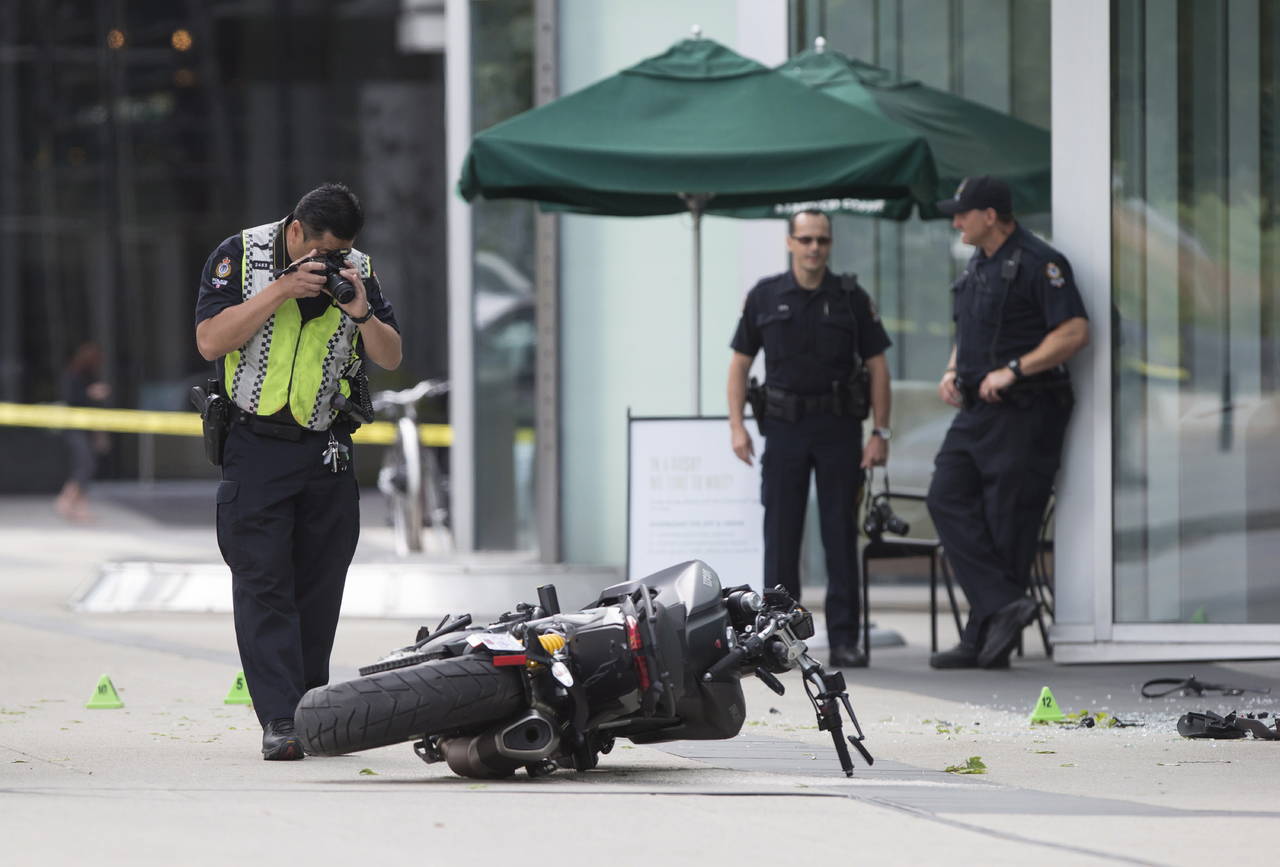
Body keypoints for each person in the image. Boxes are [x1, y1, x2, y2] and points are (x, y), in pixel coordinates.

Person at [194, 183, 402, 759]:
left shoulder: (358, 272)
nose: (329, 264)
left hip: (325, 446)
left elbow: (389, 355)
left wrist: (360, 311)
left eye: (339, 253)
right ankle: (281, 720)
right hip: (254, 443)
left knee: (321, 581)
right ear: (294, 233)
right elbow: (210, 340)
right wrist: (283, 289)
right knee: (263, 582)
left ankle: (311, 708)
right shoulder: (240, 256)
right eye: (319, 254)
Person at [926, 176, 1089, 670]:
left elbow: (1075, 331)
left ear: (990, 215)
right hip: (977, 409)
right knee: (945, 495)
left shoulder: (1041, 263)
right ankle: (1004, 604)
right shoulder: (978, 263)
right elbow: (969, 330)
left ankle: (984, 640)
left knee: (1006, 524)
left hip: (1026, 410)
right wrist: (954, 368)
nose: (956, 221)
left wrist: (1014, 370)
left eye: (962, 212)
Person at [727, 209, 892, 669]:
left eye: (821, 239)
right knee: (781, 533)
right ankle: (778, 638)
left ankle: (844, 639)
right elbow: (740, 364)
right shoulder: (764, 296)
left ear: (830, 244)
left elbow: (878, 366)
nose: (814, 247)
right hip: (784, 428)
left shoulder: (851, 298)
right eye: (805, 239)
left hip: (839, 428)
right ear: (790, 243)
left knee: (839, 534)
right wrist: (736, 425)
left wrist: (880, 432)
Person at [55, 341, 111, 522]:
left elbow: (97, 408)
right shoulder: (73, 376)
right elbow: (71, 399)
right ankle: (67, 499)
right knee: (84, 464)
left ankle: (78, 505)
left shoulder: (92, 376)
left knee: (88, 465)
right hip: (74, 427)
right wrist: (90, 394)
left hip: (88, 427)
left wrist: (99, 432)